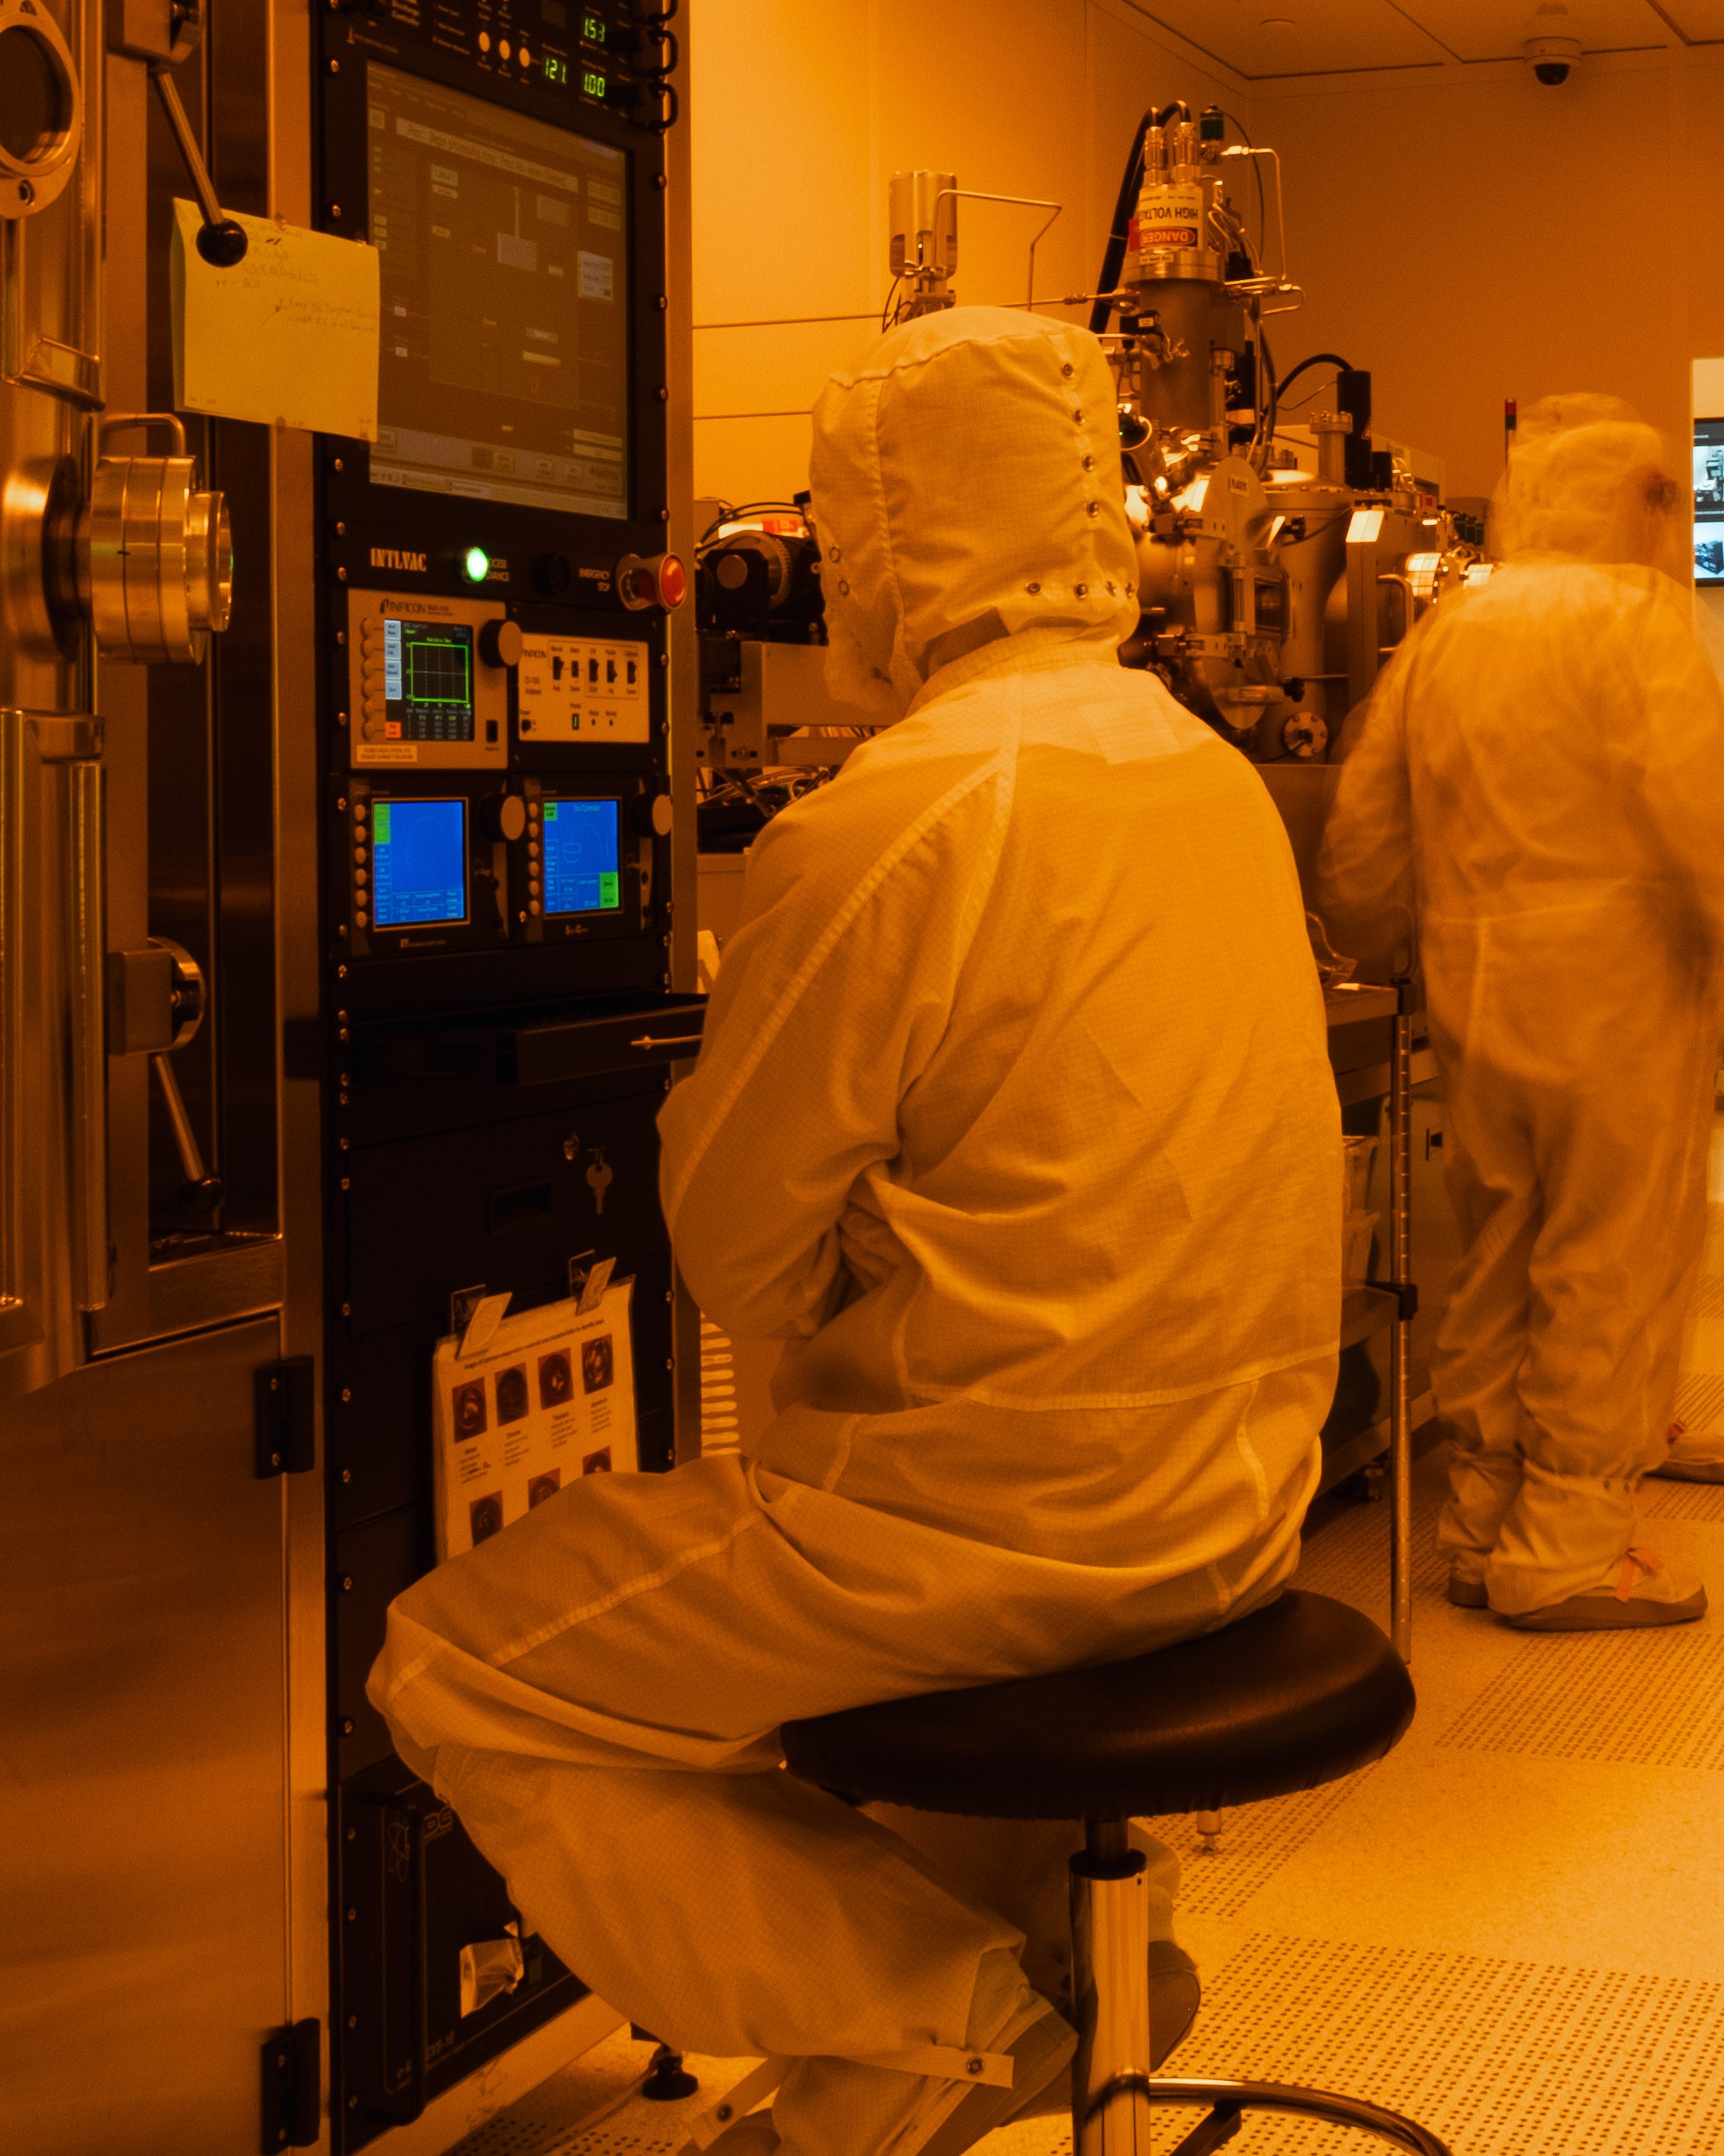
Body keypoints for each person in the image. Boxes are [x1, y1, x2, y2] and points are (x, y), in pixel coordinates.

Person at [367, 306, 1339, 2156]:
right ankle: (1030, 2002)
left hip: (992, 1539)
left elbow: (732, 1241)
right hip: (1235, 1503)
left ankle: (957, 2018)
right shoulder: (1205, 781)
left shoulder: (893, 821)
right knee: (887, 1712)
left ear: (879, 548)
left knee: (462, 1665)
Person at [1325, 395, 1724, 1632]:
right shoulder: (1637, 627)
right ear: (1620, 500)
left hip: (1478, 993)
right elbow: (1705, 813)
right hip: (1619, 994)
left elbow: (1366, 829)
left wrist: (1385, 941)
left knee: (1493, 1255)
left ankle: (1479, 1521)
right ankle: (1568, 1542)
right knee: (1607, 1265)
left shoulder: (1452, 631)